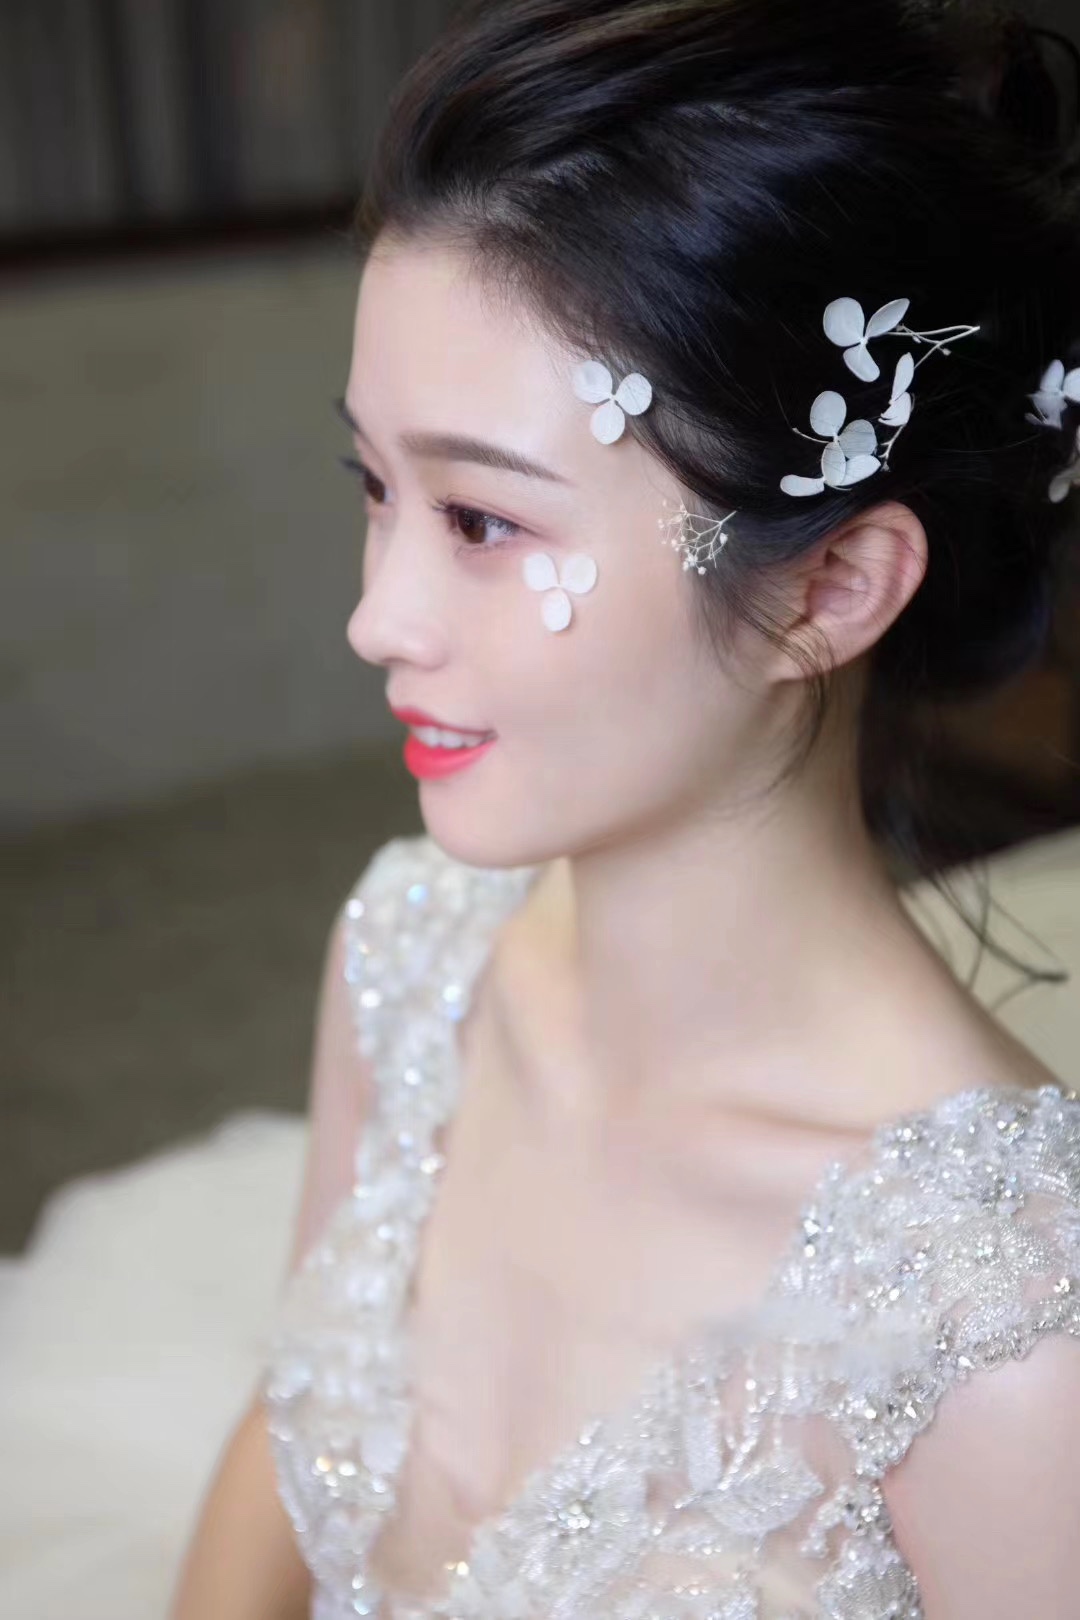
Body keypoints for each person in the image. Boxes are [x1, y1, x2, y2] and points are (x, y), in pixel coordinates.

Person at [170, 1, 1080, 1616]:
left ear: (827, 586)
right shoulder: (410, 965)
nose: (378, 618)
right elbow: (295, 1417)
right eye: (376, 488)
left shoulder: (1005, 1326)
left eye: (482, 520)